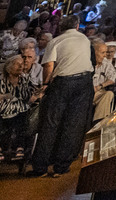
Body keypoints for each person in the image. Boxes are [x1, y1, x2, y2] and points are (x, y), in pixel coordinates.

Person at [30, 15, 94, 177]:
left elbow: (49, 65)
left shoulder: (56, 41)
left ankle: (41, 167)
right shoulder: (85, 40)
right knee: (73, 124)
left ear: (60, 28)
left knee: (51, 123)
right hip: (84, 83)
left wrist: (45, 84)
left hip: (63, 83)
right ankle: (61, 167)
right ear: (78, 26)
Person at [0, 54, 38, 162]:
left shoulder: (25, 83)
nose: (20, 67)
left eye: (22, 64)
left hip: (18, 113)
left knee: (23, 118)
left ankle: (20, 147)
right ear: (8, 69)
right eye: (17, 64)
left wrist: (36, 95)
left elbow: (32, 97)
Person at [90, 38, 116, 123]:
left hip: (99, 92)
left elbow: (112, 78)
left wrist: (100, 86)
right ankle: (101, 124)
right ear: (94, 52)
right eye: (102, 52)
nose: (105, 55)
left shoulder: (106, 62)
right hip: (85, 93)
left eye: (106, 52)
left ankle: (98, 122)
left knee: (108, 94)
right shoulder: (86, 62)